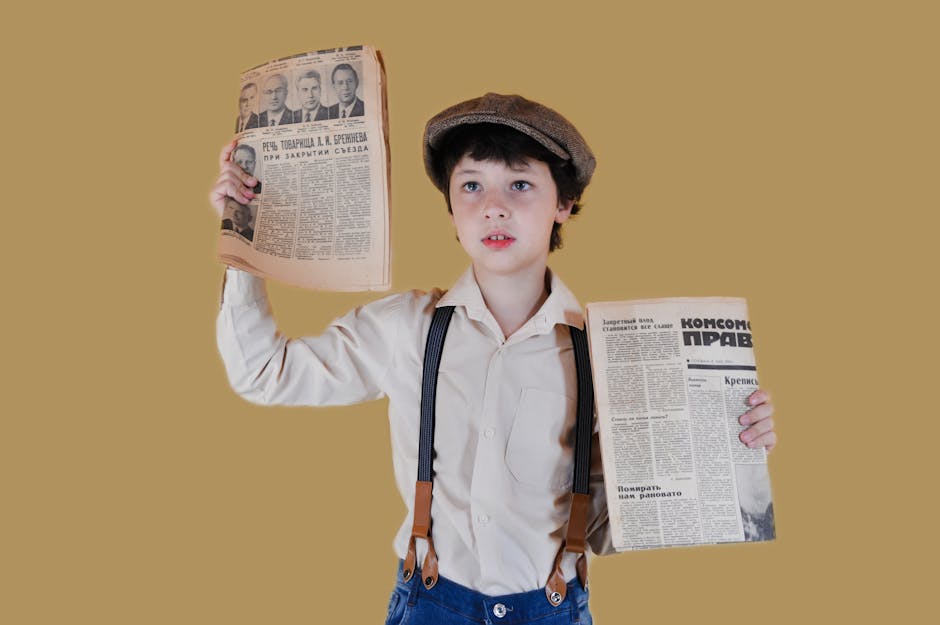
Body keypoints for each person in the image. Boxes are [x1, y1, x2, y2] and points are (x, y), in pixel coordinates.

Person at [209, 93, 777, 624]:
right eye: (472, 186)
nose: (494, 209)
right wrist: (242, 235)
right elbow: (263, 372)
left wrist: (726, 449)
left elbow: (606, 526)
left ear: (565, 203)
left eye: (522, 185)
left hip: (551, 606)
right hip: (431, 602)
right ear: (451, 208)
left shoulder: (607, 352)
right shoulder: (407, 328)